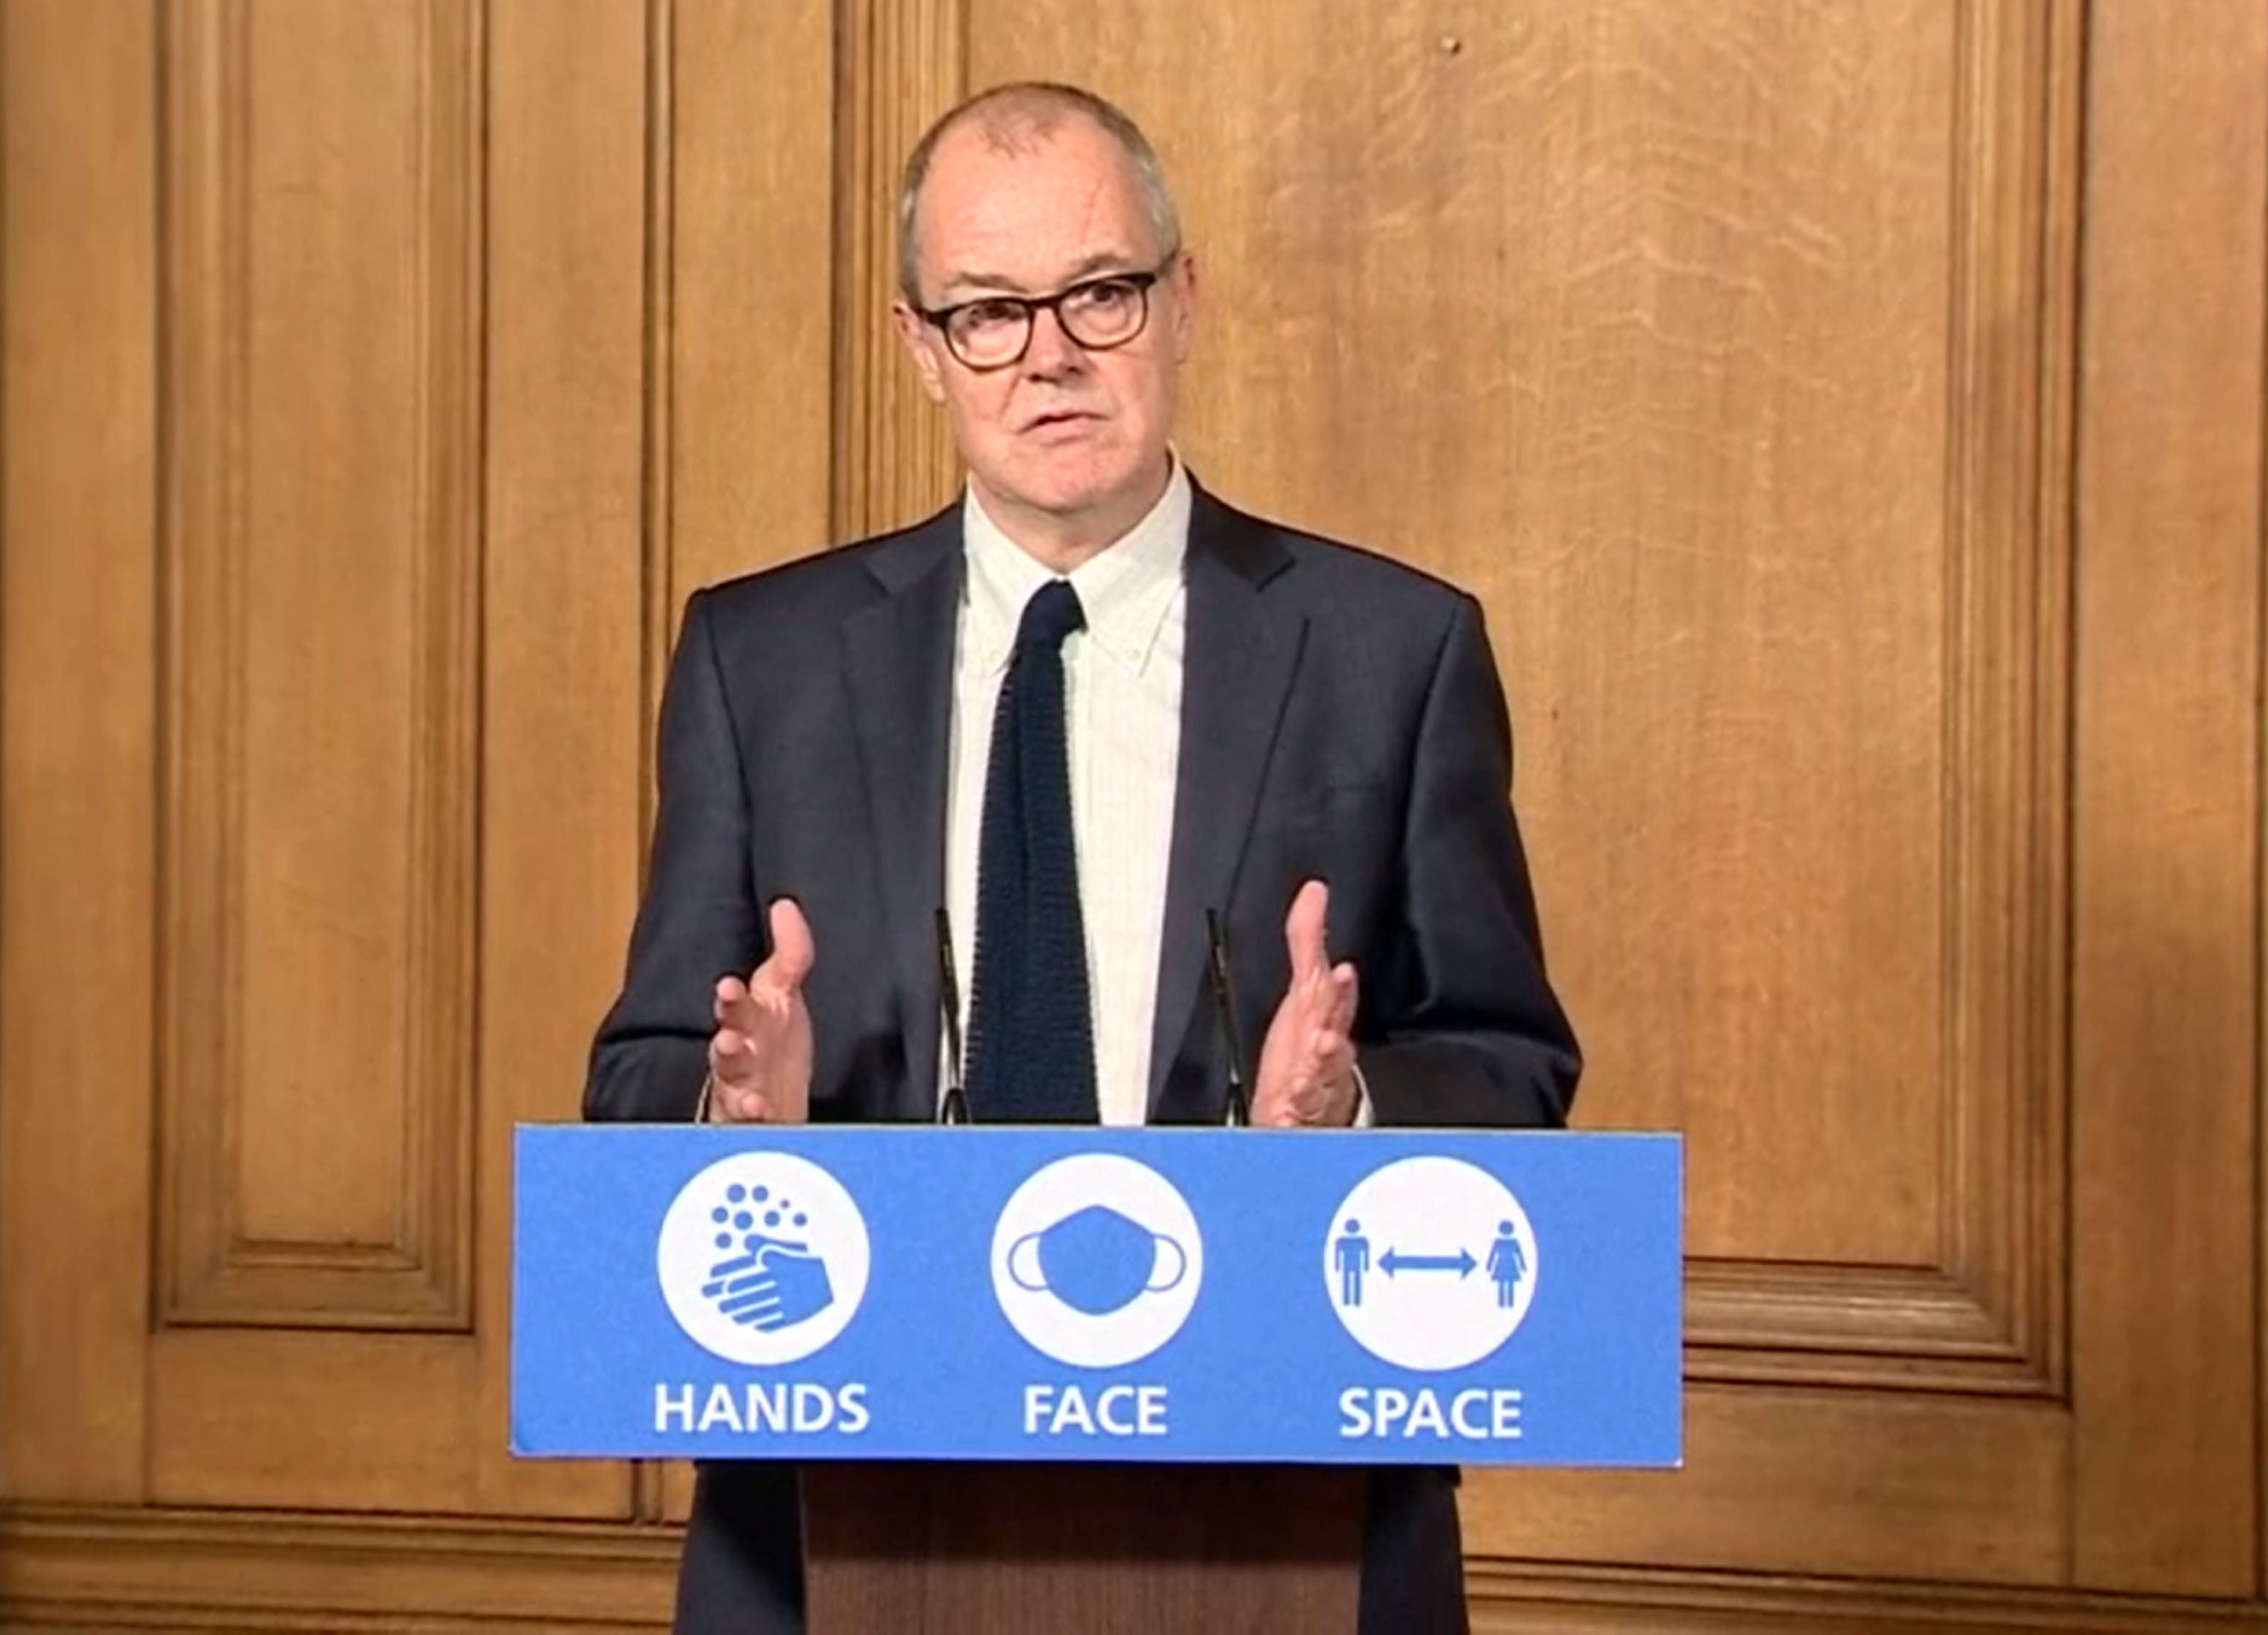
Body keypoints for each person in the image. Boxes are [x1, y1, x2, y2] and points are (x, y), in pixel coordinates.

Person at [584, 81, 1580, 1635]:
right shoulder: (757, 661)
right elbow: (638, 1076)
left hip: (1280, 1512)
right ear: (921, 346)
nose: (1048, 353)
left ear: (1182, 301)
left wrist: (1349, 1112)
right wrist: (734, 1111)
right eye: (989, 312)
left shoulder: (1392, 652)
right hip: (840, 1516)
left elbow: (1510, 1068)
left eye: (1099, 293)